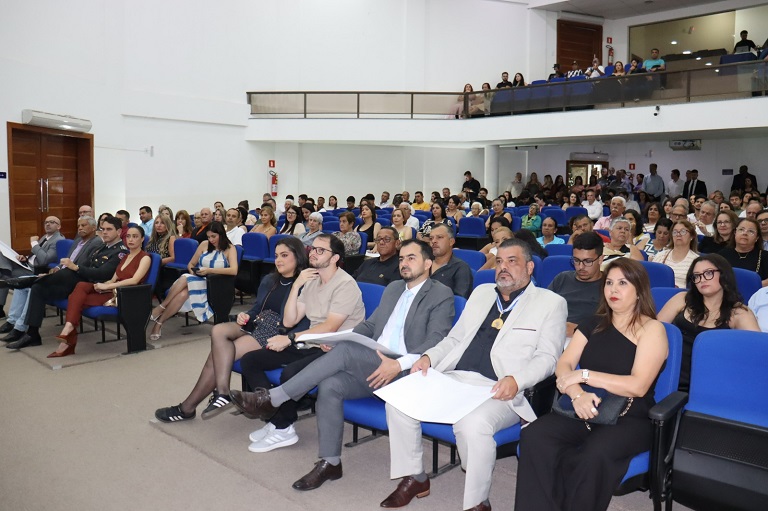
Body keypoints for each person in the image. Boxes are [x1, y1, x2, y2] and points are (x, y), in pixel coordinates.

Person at [231, 240, 453, 481]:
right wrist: (338, 339)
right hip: (375, 362)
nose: (404, 263)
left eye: (411, 258)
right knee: (330, 385)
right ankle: (330, 462)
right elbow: (370, 326)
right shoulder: (394, 288)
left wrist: (398, 363)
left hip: (404, 369)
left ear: (428, 263)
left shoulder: (440, 293)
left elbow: (436, 340)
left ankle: (274, 398)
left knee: (346, 350)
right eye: (401, 259)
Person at [383, 238, 567, 511]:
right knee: (399, 403)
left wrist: (517, 380)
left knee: (471, 425)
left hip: (501, 388)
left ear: (530, 267)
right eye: (499, 261)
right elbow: (455, 338)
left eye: (512, 261)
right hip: (456, 378)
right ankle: (415, 478)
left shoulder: (550, 303)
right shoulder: (482, 293)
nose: (503, 267)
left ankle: (477, 502)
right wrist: (429, 357)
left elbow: (548, 358)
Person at [516, 258, 668, 511]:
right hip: (584, 405)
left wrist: (584, 376)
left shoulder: (652, 329)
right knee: (535, 435)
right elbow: (564, 365)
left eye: (622, 283)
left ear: (639, 290)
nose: (613, 289)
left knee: (593, 455)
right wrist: (577, 395)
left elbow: (638, 386)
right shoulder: (592, 323)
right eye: (609, 283)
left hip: (630, 416)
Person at [229, 234, 365, 452]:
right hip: (311, 343)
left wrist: (290, 338)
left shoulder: (346, 284)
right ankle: (278, 419)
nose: (313, 253)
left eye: (321, 250)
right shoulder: (310, 281)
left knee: (290, 373)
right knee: (250, 360)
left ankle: (283, 427)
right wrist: (296, 286)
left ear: (335, 258)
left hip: (335, 348)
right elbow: (289, 321)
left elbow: (330, 327)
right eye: (313, 249)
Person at [154, 237, 310, 422]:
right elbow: (257, 308)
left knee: (217, 356)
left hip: (277, 330)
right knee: (218, 330)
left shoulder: (305, 284)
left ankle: (188, 407)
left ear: (298, 256)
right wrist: (246, 315)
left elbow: (299, 320)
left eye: (284, 255)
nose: (278, 260)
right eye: (276, 256)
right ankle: (221, 392)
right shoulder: (270, 280)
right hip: (258, 322)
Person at [7, 216, 128, 350]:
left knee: (68, 272)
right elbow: (87, 265)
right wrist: (74, 269)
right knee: (38, 288)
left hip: (94, 287)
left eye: (109, 229)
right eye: (103, 229)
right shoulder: (103, 247)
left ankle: (29, 280)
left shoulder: (120, 251)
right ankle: (32, 334)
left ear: (119, 232)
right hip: (77, 282)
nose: (104, 232)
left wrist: (76, 268)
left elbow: (102, 274)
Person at [662, 254, 761, 391]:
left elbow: (758, 352)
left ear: (724, 275)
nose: (702, 279)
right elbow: (653, 330)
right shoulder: (682, 299)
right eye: (697, 276)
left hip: (711, 384)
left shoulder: (738, 312)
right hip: (668, 376)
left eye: (708, 273)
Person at [49, 226, 151, 358]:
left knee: (76, 301)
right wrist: (103, 285)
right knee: (81, 286)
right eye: (128, 236)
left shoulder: (145, 258)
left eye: (135, 236)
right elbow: (113, 278)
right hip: (112, 289)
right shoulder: (125, 257)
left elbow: (134, 280)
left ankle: (68, 335)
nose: (131, 239)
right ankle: (68, 329)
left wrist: (107, 286)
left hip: (125, 294)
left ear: (142, 239)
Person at [148, 222, 238, 341]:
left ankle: (161, 308)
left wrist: (209, 270)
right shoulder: (204, 245)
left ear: (221, 235)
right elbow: (191, 264)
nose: (211, 240)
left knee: (185, 279)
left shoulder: (230, 249)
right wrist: (194, 272)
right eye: (209, 236)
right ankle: (159, 323)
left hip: (216, 284)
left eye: (214, 236)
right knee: (183, 293)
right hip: (199, 279)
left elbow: (233, 270)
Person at [0, 216, 63, 318]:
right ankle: (5, 273)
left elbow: (45, 260)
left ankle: (0, 307)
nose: (48, 224)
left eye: (52, 222)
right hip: (27, 264)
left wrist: (34, 243)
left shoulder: (58, 240)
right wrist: (25, 258)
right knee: (1, 255)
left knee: (3, 275)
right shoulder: (45, 237)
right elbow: (36, 256)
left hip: (35, 270)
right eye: (46, 222)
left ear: (59, 226)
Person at [548, 232, 605, 338]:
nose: (580, 267)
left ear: (600, 259)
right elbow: (543, 309)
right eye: (576, 260)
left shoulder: (609, 286)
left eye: (588, 261)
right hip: (552, 334)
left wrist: (578, 330)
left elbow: (616, 327)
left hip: (588, 339)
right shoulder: (562, 278)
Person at [428, 224, 473, 298]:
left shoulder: (461, 268)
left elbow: (459, 300)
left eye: (439, 237)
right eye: (431, 238)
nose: (433, 241)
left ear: (451, 241)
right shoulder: (423, 265)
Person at [719, 218, 768, 286]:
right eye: (741, 229)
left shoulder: (765, 256)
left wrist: (753, 286)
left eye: (751, 231)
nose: (745, 233)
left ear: (757, 237)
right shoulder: (722, 255)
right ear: (735, 233)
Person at [652, 219, 699, 288]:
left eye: (683, 231)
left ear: (692, 236)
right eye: (675, 232)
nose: (678, 234)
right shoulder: (660, 256)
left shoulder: (696, 261)